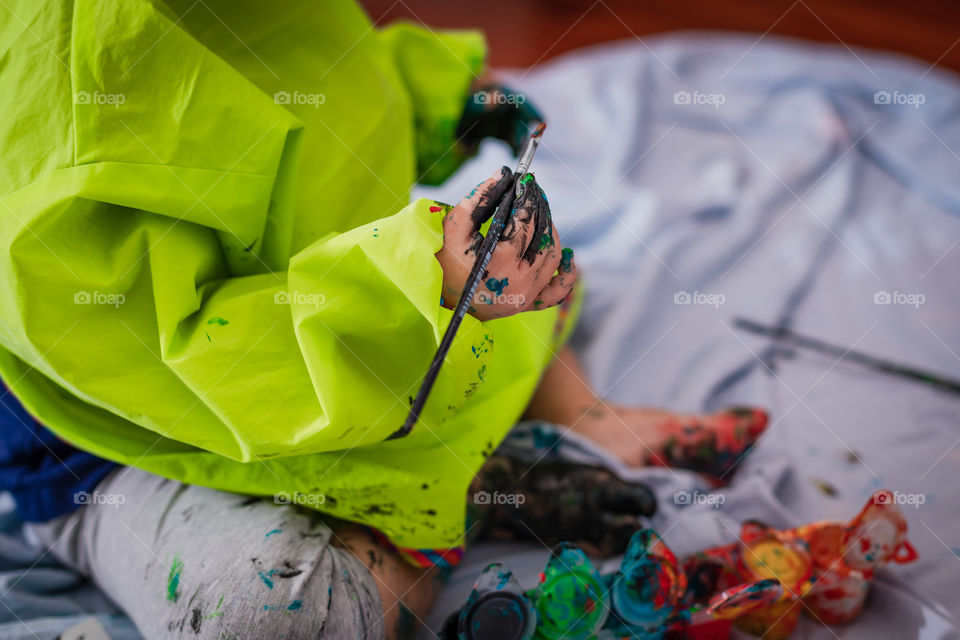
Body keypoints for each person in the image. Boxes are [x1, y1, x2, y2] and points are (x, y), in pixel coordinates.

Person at [0, 1, 767, 637]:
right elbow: (195, 362)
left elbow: (327, 78)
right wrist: (419, 284)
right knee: (269, 612)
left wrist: (447, 107)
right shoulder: (61, 123)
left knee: (547, 278)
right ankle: (450, 501)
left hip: (337, 340)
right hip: (129, 445)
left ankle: (578, 416)